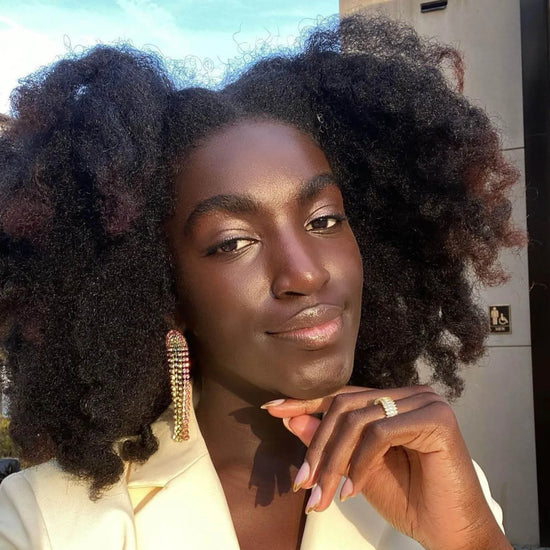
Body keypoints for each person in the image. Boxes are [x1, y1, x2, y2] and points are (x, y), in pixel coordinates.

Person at [0, 15, 522, 550]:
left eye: (324, 221)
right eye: (232, 242)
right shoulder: (42, 522)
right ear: (164, 293)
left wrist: (472, 540)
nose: (305, 272)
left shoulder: (442, 485)